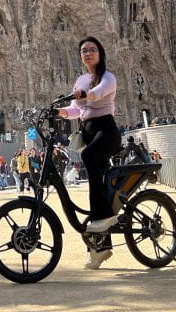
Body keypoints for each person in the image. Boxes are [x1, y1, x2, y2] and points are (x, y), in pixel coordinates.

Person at [58, 36, 121, 269]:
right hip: (89, 131)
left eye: (92, 49)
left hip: (106, 130)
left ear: (100, 53)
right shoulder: (81, 79)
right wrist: (60, 112)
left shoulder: (108, 77)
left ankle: (105, 219)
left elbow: (99, 93)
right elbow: (76, 110)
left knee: (87, 156)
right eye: (84, 50)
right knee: (98, 191)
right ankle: (100, 250)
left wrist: (86, 95)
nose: (87, 53)